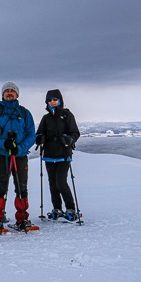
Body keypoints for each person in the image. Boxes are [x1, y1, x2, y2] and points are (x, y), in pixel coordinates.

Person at [0, 82, 37, 234]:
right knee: (0, 187)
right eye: (6, 91)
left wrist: (19, 148)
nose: (9, 93)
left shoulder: (24, 113)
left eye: (12, 91)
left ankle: (22, 219)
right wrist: (3, 144)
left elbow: (31, 134)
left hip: (20, 155)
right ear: (2, 94)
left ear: (17, 94)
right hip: (1, 155)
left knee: (22, 187)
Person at [35, 89, 81, 221]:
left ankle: (70, 208)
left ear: (60, 100)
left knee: (61, 182)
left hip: (63, 153)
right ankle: (57, 208)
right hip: (49, 154)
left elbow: (75, 133)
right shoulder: (46, 118)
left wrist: (69, 139)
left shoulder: (67, 115)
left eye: (55, 99)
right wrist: (40, 139)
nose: (52, 102)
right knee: (52, 183)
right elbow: (39, 133)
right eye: (50, 100)